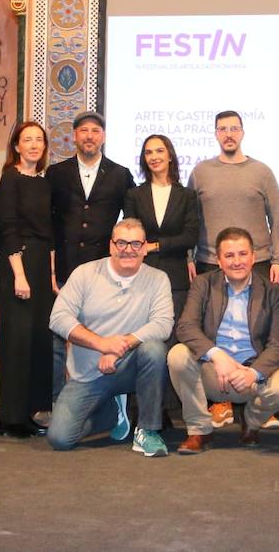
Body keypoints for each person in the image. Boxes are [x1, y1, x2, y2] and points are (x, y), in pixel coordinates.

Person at [47, 218, 174, 457]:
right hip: (88, 374)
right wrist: (102, 344)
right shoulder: (84, 274)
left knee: (154, 350)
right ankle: (112, 413)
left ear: (145, 248)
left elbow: (163, 324)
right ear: (111, 246)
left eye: (136, 244)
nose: (128, 249)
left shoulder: (158, 279)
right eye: (122, 243)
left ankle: (147, 430)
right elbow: (58, 318)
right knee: (60, 438)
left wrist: (119, 347)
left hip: (129, 367)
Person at [168, 227, 279, 453]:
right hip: (213, 371)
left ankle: (251, 423)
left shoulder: (272, 291)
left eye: (243, 254)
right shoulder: (203, 284)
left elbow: (278, 344)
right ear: (218, 260)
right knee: (177, 355)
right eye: (229, 255)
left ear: (254, 256)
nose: (237, 261)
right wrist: (217, 355)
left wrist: (253, 373)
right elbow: (186, 327)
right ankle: (199, 430)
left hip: (250, 373)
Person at [48, 111, 135, 398]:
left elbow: (132, 222)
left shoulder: (121, 175)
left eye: (95, 131)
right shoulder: (56, 173)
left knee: (102, 334)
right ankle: (56, 401)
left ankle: (102, 401)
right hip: (64, 266)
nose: (89, 136)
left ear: (103, 137)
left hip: (104, 270)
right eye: (83, 130)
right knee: (59, 339)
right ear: (74, 136)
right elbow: (46, 221)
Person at [124, 133, 201, 425]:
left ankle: (167, 409)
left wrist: (155, 245)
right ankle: (138, 407)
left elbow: (191, 236)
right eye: (148, 152)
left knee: (169, 343)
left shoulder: (186, 195)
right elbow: (130, 231)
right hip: (140, 276)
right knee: (143, 339)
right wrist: (147, 246)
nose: (154, 156)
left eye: (159, 150)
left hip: (174, 276)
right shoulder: (134, 194)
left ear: (170, 155)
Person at [0, 121, 56, 438]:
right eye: (27, 140)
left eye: (39, 140)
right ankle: (10, 417)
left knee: (37, 339)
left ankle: (31, 412)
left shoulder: (44, 183)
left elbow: (49, 235)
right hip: (16, 264)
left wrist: (50, 275)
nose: (33, 145)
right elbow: (8, 229)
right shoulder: (10, 179)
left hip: (39, 265)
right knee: (16, 339)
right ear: (16, 146)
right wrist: (19, 274)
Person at [189, 110, 279, 283]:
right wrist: (189, 258)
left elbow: (277, 220)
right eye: (222, 130)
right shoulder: (200, 172)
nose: (228, 135)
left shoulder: (262, 172)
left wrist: (278, 261)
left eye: (234, 129)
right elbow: (189, 220)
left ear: (242, 133)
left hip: (257, 262)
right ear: (216, 134)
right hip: (210, 263)